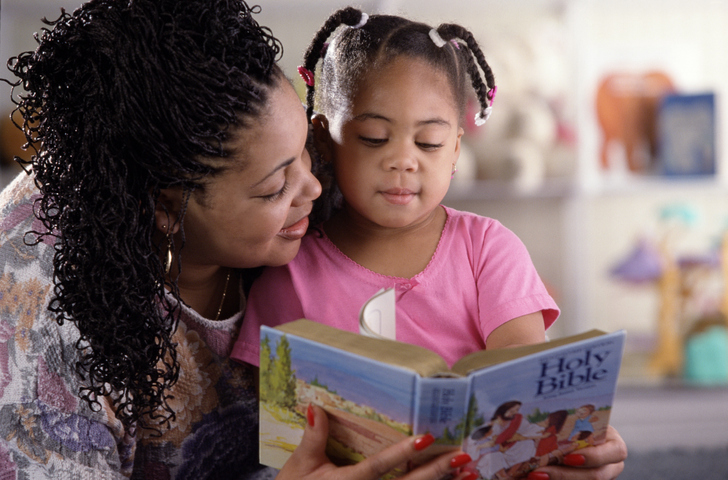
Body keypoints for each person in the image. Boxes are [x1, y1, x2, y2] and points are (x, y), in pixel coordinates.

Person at [0, 1, 476, 479]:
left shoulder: (320, 167)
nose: (314, 187)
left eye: (306, 153)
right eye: (273, 189)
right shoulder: (39, 326)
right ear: (165, 208)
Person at [231, 7, 628, 480]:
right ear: (323, 138)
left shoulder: (489, 249)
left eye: (430, 143)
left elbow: (522, 385)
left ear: (456, 149)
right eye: (375, 138)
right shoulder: (288, 272)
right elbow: (275, 441)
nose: (403, 161)